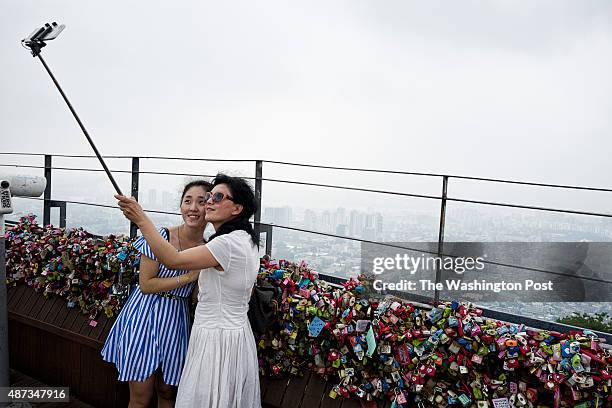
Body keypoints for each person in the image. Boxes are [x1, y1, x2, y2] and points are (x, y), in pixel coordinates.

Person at [115, 173, 262, 408]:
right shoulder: (244, 240)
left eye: (216, 197)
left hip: (215, 338)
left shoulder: (224, 244)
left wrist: (141, 220)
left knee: (200, 397)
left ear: (236, 208)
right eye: (209, 197)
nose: (209, 202)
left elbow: (172, 259)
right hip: (232, 335)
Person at [102, 180, 211, 408]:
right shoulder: (160, 236)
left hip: (176, 319)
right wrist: (188, 278)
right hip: (145, 314)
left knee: (168, 391)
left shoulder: (209, 248)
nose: (193, 208)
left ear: (210, 207)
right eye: (187, 201)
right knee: (141, 397)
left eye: (201, 202)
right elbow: (146, 285)